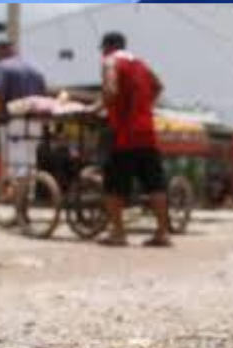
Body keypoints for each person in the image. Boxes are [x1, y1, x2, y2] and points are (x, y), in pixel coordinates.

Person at [93, 31, 171, 247]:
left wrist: (100, 107)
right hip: (147, 132)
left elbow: (110, 89)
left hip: (123, 134)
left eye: (103, 49)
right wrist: (143, 107)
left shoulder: (110, 61)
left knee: (113, 186)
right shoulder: (140, 63)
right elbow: (158, 86)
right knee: (155, 184)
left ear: (108, 47)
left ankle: (118, 233)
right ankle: (162, 233)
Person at [0, 37, 47, 181]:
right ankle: (28, 195)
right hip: (35, 123)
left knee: (14, 162)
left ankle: (16, 194)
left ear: (1, 50)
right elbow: (43, 98)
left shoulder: (3, 67)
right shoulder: (36, 69)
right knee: (30, 161)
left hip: (13, 122)